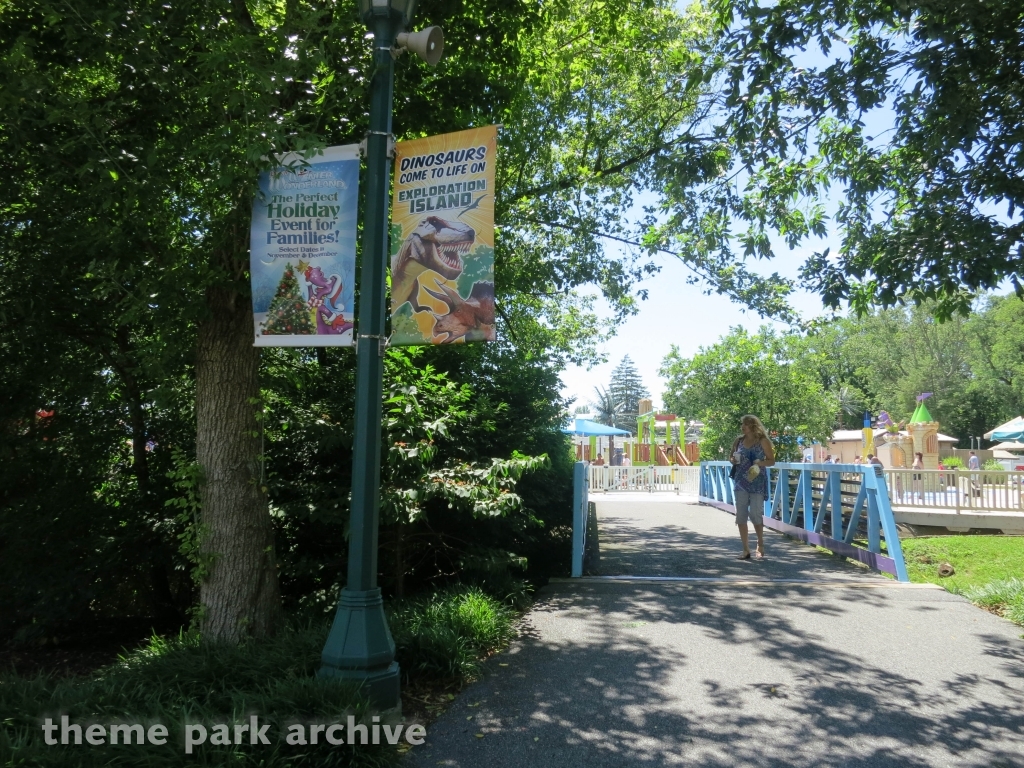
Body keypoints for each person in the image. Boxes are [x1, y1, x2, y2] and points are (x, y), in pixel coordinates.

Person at [729, 414, 775, 560]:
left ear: (753, 426)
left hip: (757, 482)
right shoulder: (739, 441)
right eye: (742, 424)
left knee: (756, 514)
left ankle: (760, 543)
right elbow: (731, 458)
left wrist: (760, 463)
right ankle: (745, 549)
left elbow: (772, 461)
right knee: (741, 515)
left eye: (746, 424)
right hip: (740, 482)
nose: (742, 427)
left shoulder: (763, 441)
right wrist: (733, 460)